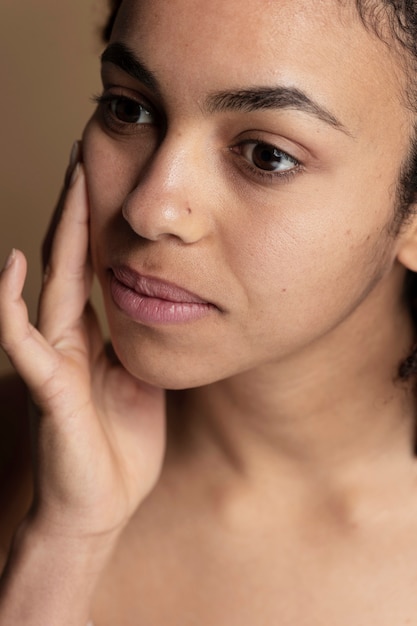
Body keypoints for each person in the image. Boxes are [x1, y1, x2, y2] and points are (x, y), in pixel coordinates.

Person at [1, 0, 417, 622]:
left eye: (267, 155)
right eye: (129, 108)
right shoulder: (17, 453)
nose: (150, 209)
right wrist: (65, 546)